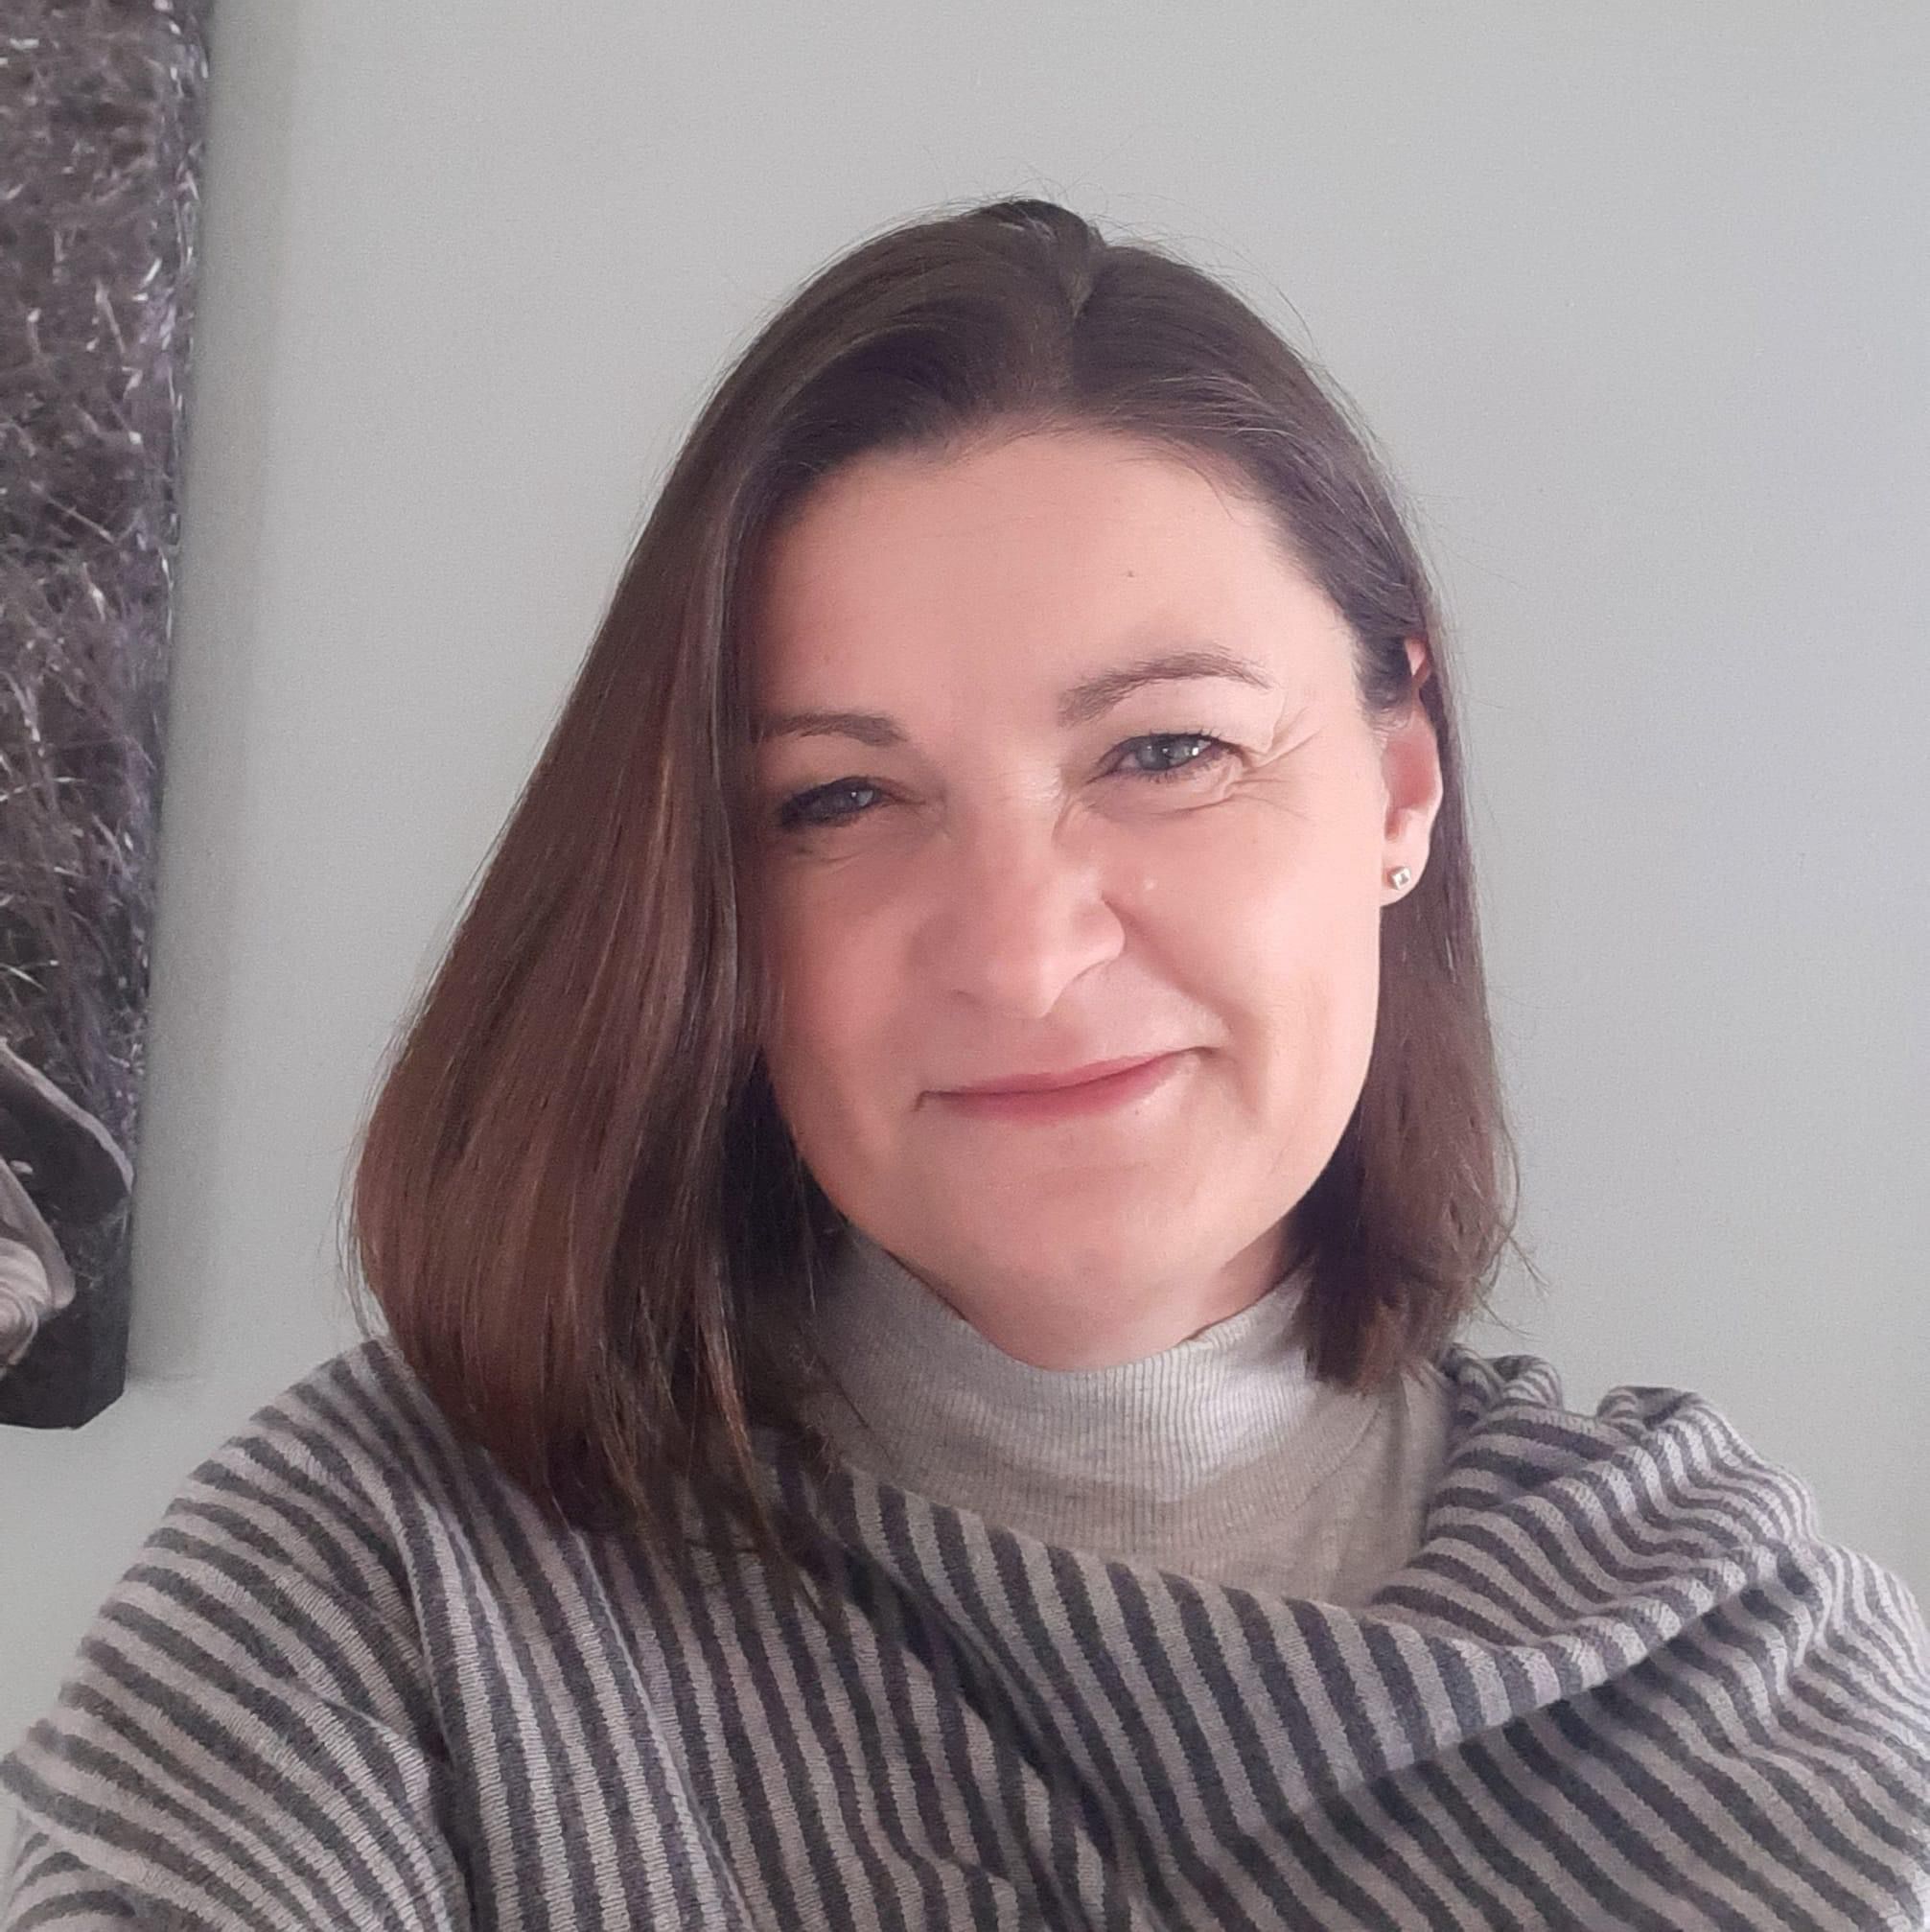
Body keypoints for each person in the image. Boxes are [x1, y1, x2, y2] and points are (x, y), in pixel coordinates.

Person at [4, 196, 1925, 1931]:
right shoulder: (373, 1594)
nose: (1018, 951)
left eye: (1165, 752)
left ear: (1398, 786)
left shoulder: (1738, 1653)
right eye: (837, 799)